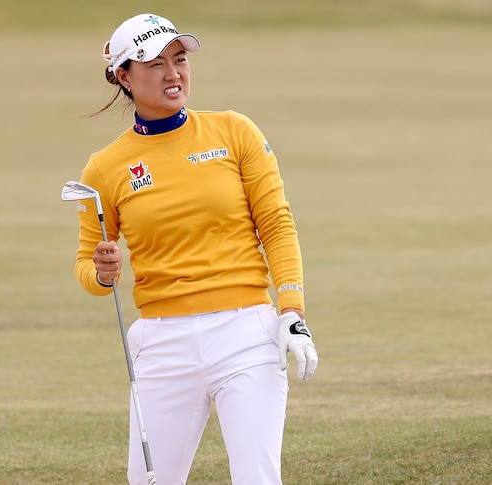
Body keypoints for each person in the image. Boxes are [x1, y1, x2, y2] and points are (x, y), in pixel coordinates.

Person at [71, 12, 319, 485]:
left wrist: (291, 311)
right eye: (155, 64)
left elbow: (276, 224)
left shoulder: (234, 131)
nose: (173, 74)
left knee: (257, 478)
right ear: (124, 76)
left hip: (246, 333)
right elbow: (89, 269)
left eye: (179, 59)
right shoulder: (104, 169)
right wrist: (103, 273)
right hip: (163, 343)